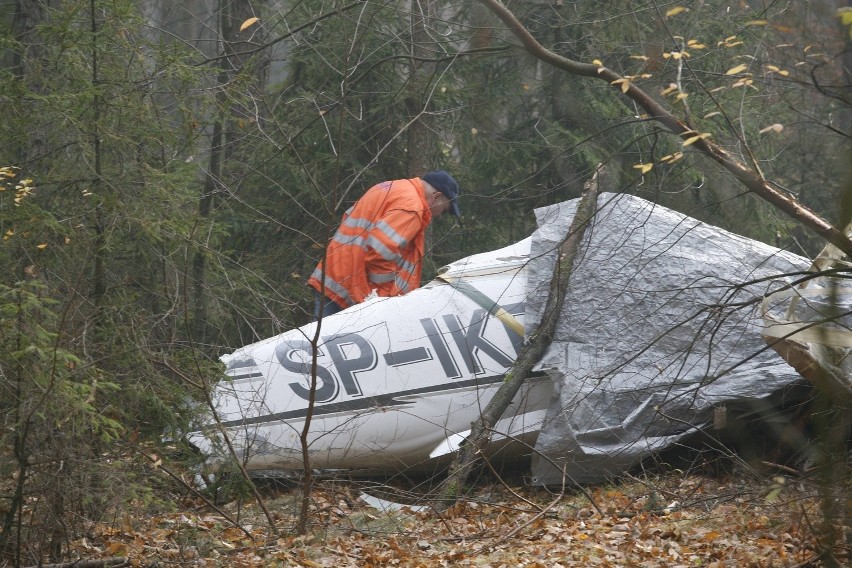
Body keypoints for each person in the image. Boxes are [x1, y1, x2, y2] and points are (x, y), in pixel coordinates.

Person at [308, 171, 461, 319]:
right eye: (444, 209)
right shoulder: (412, 207)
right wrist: (382, 296)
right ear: (436, 196)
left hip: (335, 276)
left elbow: (349, 218)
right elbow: (380, 250)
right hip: (351, 287)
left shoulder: (390, 187)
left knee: (319, 342)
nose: (440, 214)